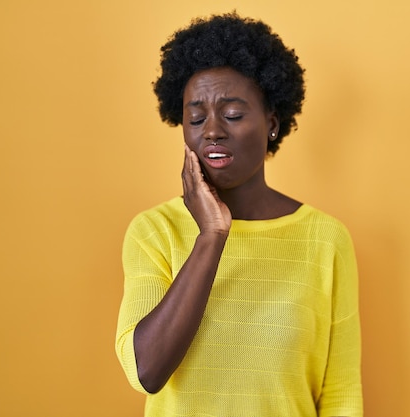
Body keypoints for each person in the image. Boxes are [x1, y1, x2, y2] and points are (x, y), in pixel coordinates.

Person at [115, 12, 363, 416]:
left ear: (271, 124)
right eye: (196, 117)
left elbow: (341, 394)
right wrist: (210, 235)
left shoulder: (326, 239)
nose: (211, 130)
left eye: (231, 114)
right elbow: (146, 370)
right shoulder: (153, 231)